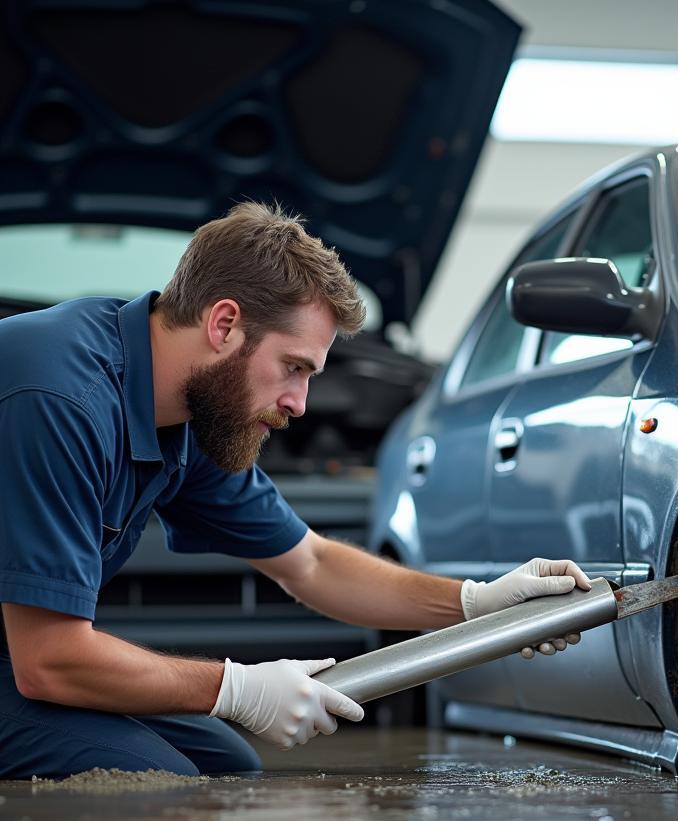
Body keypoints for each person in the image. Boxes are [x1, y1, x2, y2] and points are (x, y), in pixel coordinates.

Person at [0, 202, 591, 779]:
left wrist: (475, 604)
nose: (299, 405)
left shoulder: (191, 412)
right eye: (294, 367)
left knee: (228, 763)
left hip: (19, 658)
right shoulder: (58, 399)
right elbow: (50, 661)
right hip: (30, 659)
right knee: (153, 782)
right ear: (224, 324)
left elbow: (309, 563)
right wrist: (236, 687)